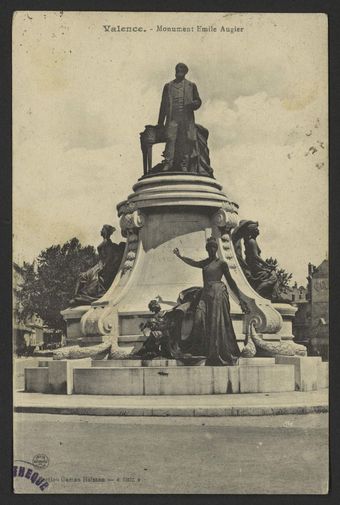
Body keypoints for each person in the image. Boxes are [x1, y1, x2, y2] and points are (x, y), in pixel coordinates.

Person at [173, 237, 249, 365]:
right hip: (206, 294)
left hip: (218, 294)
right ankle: (201, 349)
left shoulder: (221, 263)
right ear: (207, 249)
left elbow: (230, 281)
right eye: (209, 248)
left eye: (213, 247)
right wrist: (180, 256)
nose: (211, 250)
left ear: (216, 248)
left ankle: (216, 350)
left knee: (216, 322)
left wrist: (241, 299)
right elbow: (193, 262)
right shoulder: (205, 263)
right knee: (198, 317)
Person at [158, 62, 202, 171]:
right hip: (173, 118)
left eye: (181, 69)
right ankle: (168, 163)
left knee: (185, 141)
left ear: (185, 72)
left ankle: (184, 165)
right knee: (170, 139)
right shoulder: (168, 86)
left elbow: (198, 101)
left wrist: (193, 104)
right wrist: (160, 122)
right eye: (177, 69)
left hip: (186, 119)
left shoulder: (191, 86)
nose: (179, 71)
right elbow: (163, 105)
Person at [69, 225, 125, 307]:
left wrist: (102, 268)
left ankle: (82, 296)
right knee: (81, 276)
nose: (100, 231)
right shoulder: (105, 242)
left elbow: (109, 258)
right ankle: (77, 296)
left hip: (102, 266)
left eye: (102, 229)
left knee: (87, 277)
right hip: (99, 264)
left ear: (105, 232)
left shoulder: (109, 244)